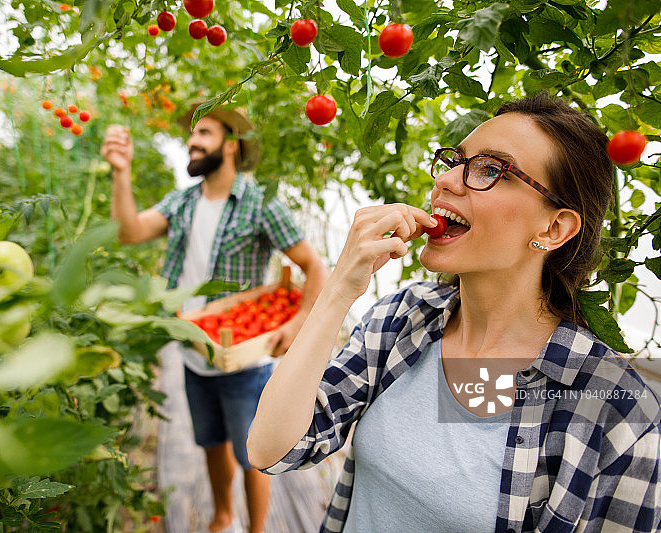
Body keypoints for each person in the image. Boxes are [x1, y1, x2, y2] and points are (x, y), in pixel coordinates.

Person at [247, 93, 661, 532]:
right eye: (454, 161)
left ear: (554, 227)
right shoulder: (404, 318)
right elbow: (272, 449)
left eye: (490, 169)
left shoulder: (617, 412)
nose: (445, 180)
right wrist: (337, 292)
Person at [100, 103, 328, 533]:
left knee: (253, 455)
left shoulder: (260, 203)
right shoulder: (183, 201)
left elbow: (314, 266)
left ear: (229, 145)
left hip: (242, 360)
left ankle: (256, 529)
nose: (192, 140)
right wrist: (120, 172)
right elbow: (129, 231)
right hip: (194, 349)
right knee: (210, 442)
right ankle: (223, 517)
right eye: (192, 133)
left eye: (203, 132)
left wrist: (297, 323)